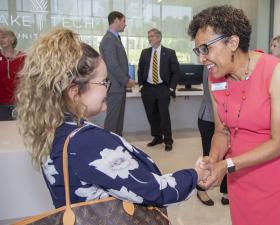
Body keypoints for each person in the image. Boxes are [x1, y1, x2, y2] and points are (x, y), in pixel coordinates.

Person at [16, 28, 207, 209]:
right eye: (104, 81)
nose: (108, 87)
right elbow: (155, 192)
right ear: (74, 92)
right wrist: (196, 175)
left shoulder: (53, 129)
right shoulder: (88, 142)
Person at [188, 5, 280, 225]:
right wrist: (213, 160)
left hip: (277, 174)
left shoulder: (276, 72)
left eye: (206, 49)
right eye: (199, 51)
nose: (201, 59)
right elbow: (221, 131)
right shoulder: (215, 78)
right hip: (240, 175)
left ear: (232, 43)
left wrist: (227, 165)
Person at [137, 28, 180, 151]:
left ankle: (168, 140)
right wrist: (141, 85)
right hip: (148, 88)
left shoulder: (169, 53)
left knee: (163, 115)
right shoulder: (144, 53)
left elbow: (176, 72)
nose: (149, 38)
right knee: (151, 114)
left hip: (163, 88)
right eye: (148, 36)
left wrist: (171, 88)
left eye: (152, 36)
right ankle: (157, 137)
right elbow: (140, 71)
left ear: (159, 38)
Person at [99, 11, 136, 136]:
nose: (125, 25)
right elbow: (113, 65)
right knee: (113, 121)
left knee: (118, 121)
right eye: (123, 21)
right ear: (116, 20)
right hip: (114, 87)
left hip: (118, 87)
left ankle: (117, 146)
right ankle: (109, 147)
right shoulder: (109, 39)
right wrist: (127, 81)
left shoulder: (114, 38)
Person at [196, 67, 228, 206]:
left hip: (227, 119)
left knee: (227, 157)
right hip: (209, 118)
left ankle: (226, 190)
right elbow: (213, 96)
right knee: (208, 157)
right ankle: (200, 189)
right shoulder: (210, 67)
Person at [0, 27, 25, 120]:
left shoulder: (23, 57)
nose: (1, 40)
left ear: (12, 39)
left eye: (4, 37)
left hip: (20, 105)